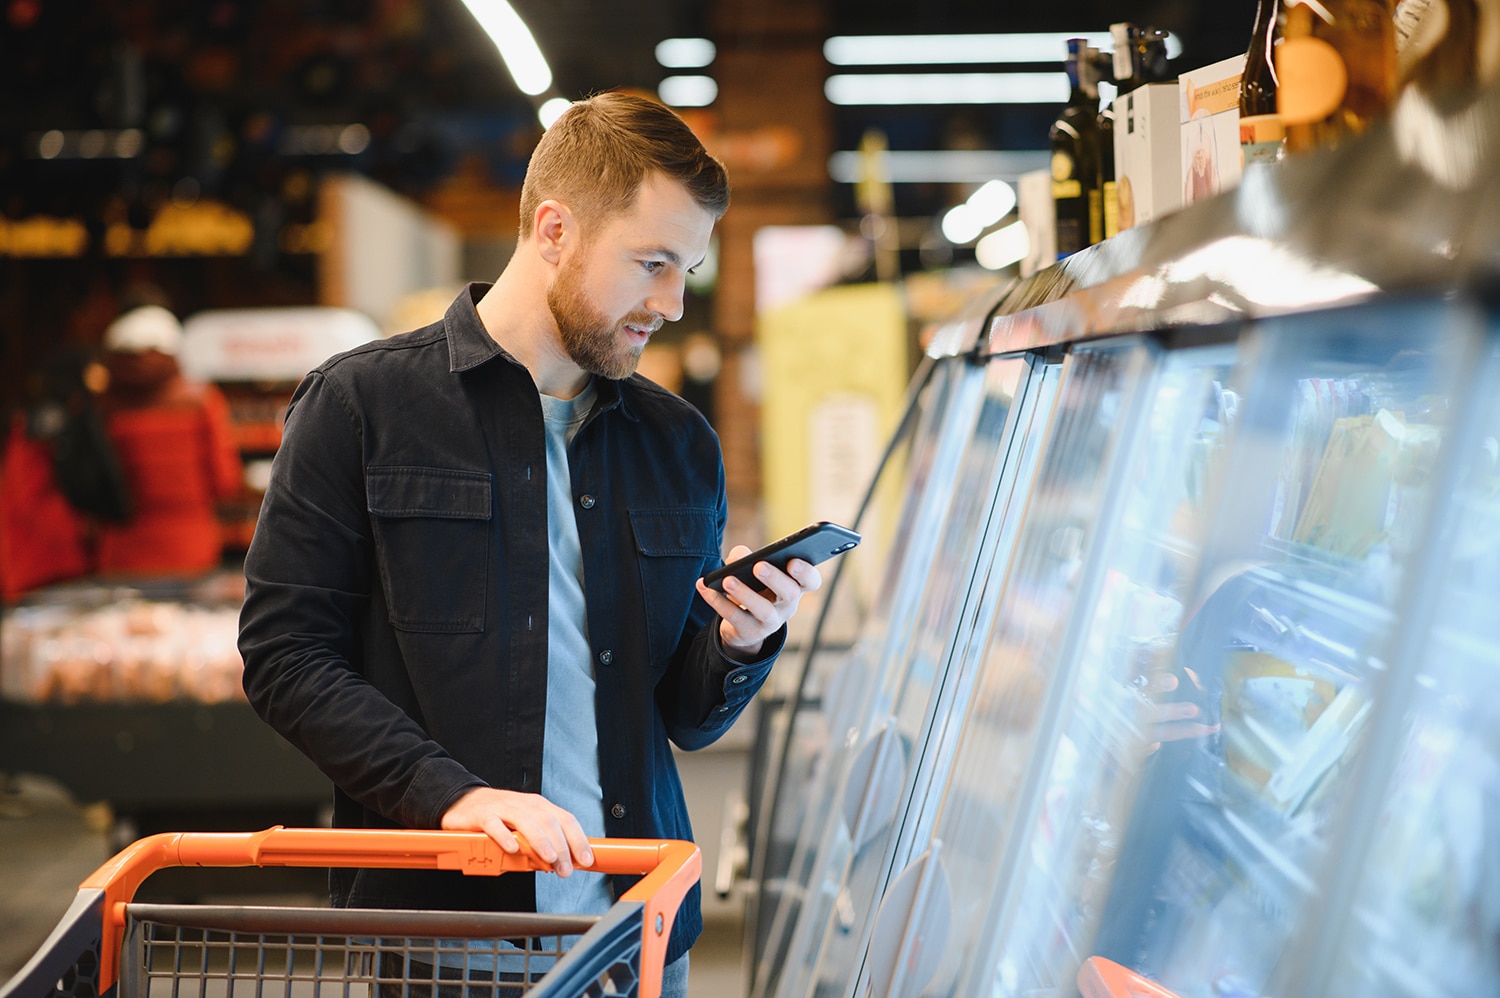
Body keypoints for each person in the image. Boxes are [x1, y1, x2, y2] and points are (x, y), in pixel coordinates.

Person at [237, 92, 820, 996]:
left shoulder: (677, 444)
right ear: (554, 228)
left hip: (642, 932)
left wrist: (741, 641)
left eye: (687, 272)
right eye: (652, 263)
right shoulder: (361, 407)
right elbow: (286, 657)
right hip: (447, 938)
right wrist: (453, 796)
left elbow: (683, 715)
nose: (670, 304)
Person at [95, 304, 242, 577]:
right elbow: (225, 481)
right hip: (190, 545)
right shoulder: (201, 400)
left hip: (121, 548)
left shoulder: (104, 405)